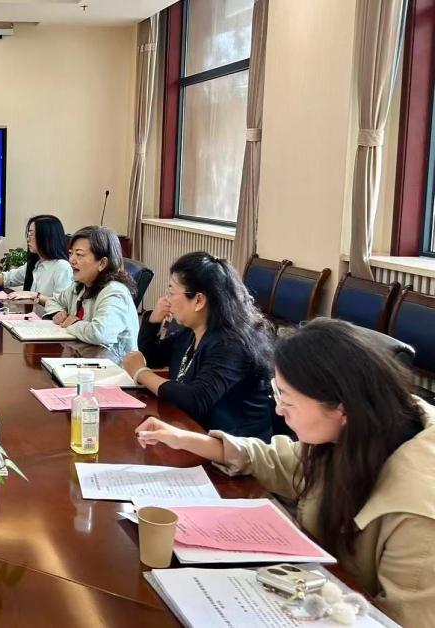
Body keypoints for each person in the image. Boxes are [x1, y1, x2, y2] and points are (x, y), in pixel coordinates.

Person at [135, 319, 435, 626]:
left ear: (341, 409)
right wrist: (187, 439)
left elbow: (404, 619)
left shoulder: (418, 513)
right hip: (316, 593)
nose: (279, 411)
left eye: (287, 400)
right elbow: (281, 460)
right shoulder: (361, 430)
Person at [122, 252, 274, 439]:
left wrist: (141, 373)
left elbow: (196, 400)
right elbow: (152, 358)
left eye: (171, 293)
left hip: (237, 447)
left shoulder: (232, 344)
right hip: (197, 433)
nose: (166, 299)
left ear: (199, 300)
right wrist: (153, 321)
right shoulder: (192, 332)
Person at [43, 226, 139, 363]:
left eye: (79, 254)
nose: (71, 260)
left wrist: (73, 323)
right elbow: (53, 301)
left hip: (112, 368)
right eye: (71, 253)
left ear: (102, 263)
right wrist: (59, 312)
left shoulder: (115, 292)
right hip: (83, 360)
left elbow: (100, 333)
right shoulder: (81, 286)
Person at [0, 215, 72, 303]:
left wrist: (34, 295)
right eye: (28, 234)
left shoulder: (62, 267)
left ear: (46, 237)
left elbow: (62, 305)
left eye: (31, 234)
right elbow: (8, 278)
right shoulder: (36, 264)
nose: (28, 239)